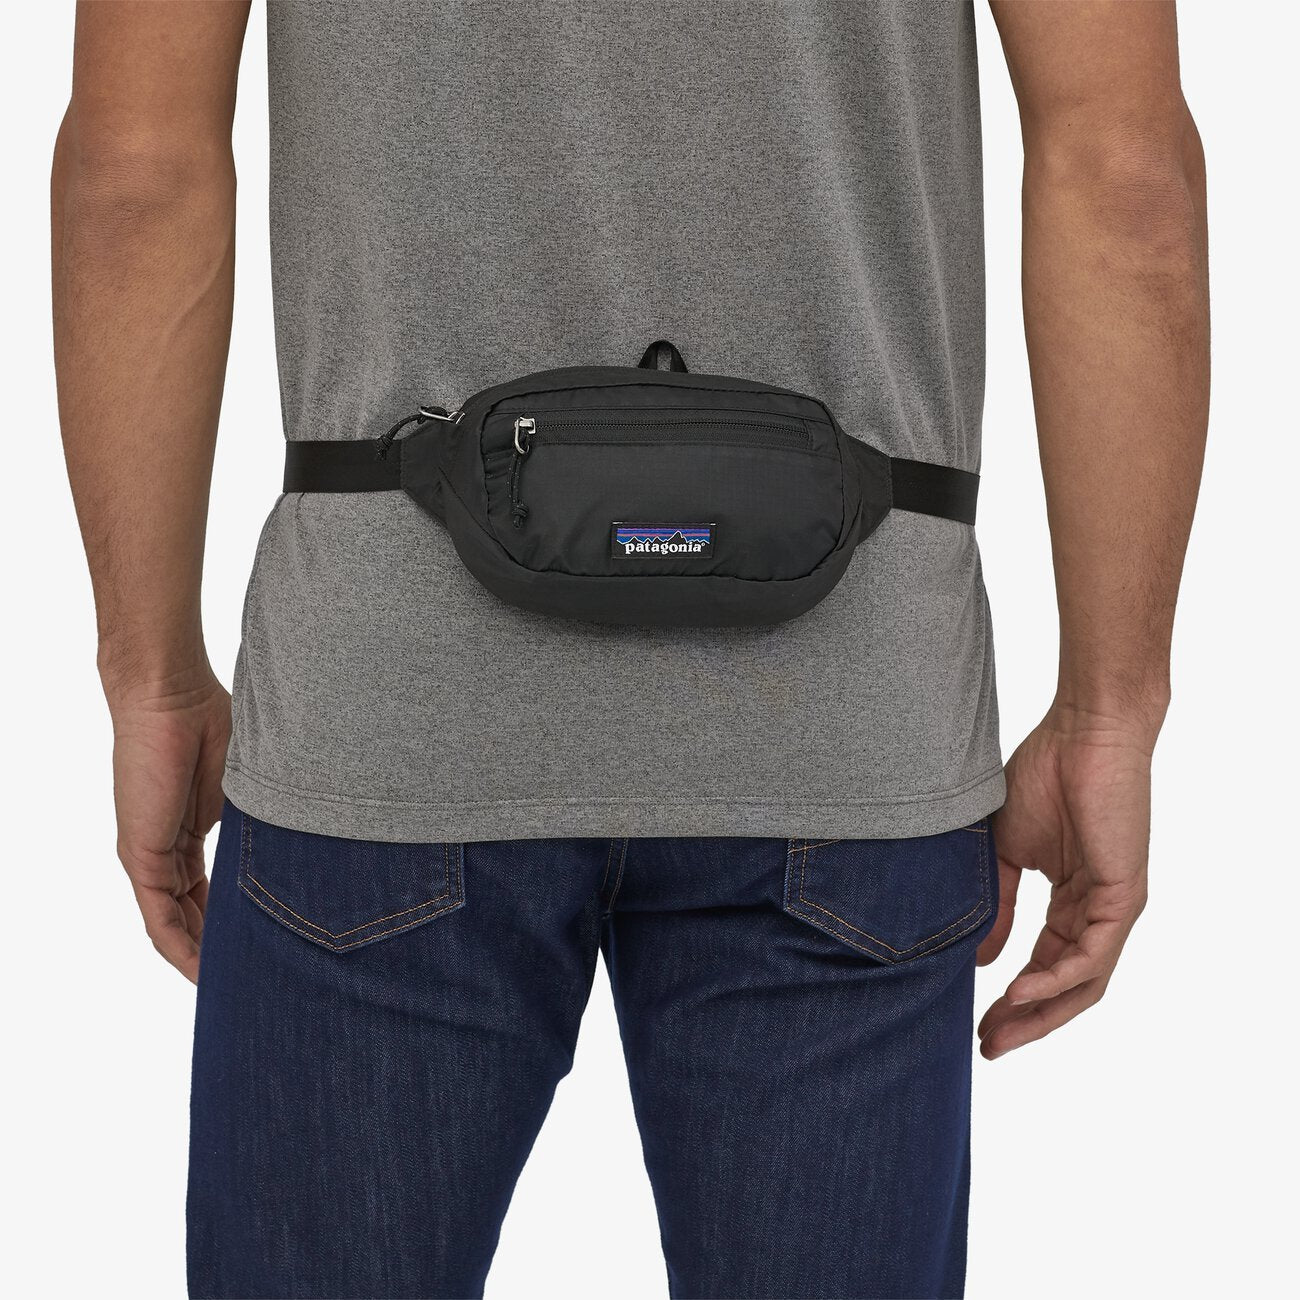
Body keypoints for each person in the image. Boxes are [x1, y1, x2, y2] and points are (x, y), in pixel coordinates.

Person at [52, 2, 1208, 1297]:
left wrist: (149, 676)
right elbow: (1122, 174)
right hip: (846, 724)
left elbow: (136, 174)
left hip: (389, 709)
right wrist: (1112, 706)